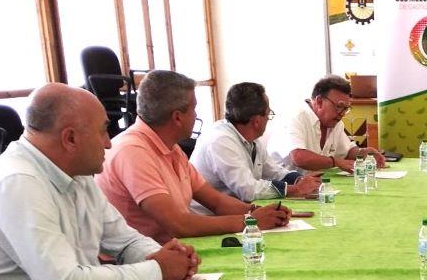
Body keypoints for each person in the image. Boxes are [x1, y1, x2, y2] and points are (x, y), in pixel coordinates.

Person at [0, 83, 198, 280]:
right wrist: (158, 269)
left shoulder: (77, 171)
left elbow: (124, 241)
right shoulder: (17, 182)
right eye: (103, 131)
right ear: (70, 138)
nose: (108, 143)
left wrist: (165, 256)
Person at [96, 70, 290, 243]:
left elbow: (217, 202)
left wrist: (261, 211)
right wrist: (251, 221)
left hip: (171, 249)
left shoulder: (172, 148)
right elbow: (178, 225)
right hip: (140, 259)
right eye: (194, 108)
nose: (196, 115)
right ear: (177, 117)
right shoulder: (133, 152)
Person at [190, 82, 321, 201]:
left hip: (238, 208)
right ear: (257, 121)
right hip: (212, 216)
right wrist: (296, 189)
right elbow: (248, 190)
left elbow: (273, 171)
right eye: (268, 114)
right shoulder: (220, 141)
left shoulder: (251, 139)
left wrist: (300, 180)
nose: (268, 119)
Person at [268, 75, 385, 173]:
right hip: (283, 186)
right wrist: (336, 162)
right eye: (339, 106)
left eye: (346, 108)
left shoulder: (335, 123)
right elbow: (298, 157)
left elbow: (346, 152)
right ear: (319, 102)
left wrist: (364, 152)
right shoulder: (295, 116)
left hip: (313, 184)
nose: (342, 114)